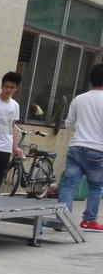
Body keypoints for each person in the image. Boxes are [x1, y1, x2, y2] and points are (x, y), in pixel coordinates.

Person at [51, 63, 103, 232]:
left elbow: (69, 124)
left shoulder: (79, 99)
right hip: (98, 150)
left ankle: (62, 220)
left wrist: (82, 129)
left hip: (76, 147)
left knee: (68, 184)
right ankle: (89, 220)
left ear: (91, 80)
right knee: (96, 186)